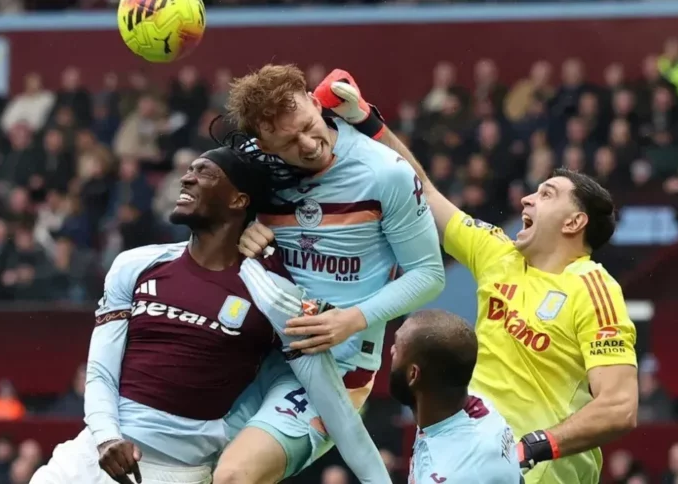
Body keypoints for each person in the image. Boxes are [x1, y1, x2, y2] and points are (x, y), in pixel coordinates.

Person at [308, 69, 639, 484]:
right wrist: (367, 122)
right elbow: (422, 192)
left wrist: (534, 446)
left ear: (574, 222)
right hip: (459, 462)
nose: (526, 197)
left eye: (547, 194)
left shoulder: (593, 287)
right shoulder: (497, 252)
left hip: (538, 473)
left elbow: (619, 407)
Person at [31, 142, 387, 484]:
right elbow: (100, 372)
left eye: (204, 172)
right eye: (188, 171)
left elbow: (335, 405)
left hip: (175, 472)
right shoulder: (136, 263)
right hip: (89, 455)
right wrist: (107, 438)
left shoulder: (271, 291)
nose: (186, 179)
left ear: (239, 199)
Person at [216, 64, 446, 484]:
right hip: (253, 352)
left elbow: (429, 275)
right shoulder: (253, 173)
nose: (307, 145)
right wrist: (239, 235)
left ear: (312, 99)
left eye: (308, 125)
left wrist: (350, 320)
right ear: (263, 142)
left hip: (336, 365)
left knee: (233, 475)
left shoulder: (385, 172)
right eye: (287, 141)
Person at [390, 310, 521, 483]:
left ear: (413, 375)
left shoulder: (451, 475)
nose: (391, 350)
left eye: (397, 348)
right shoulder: (467, 407)